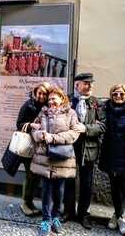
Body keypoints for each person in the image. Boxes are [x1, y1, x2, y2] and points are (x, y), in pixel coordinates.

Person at [31, 87, 85, 236]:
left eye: (54, 98)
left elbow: (74, 133)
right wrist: (39, 135)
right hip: (45, 157)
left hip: (62, 157)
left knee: (59, 191)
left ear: (62, 98)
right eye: (49, 99)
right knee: (46, 190)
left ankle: (56, 217)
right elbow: (33, 130)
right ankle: (46, 220)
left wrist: (53, 138)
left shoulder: (70, 113)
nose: (51, 101)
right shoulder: (43, 112)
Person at [63, 72, 105, 229]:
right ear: (77, 85)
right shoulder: (66, 100)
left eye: (91, 83)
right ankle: (68, 211)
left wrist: (85, 128)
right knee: (68, 180)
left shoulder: (97, 103)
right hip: (69, 147)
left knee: (87, 183)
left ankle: (83, 214)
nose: (89, 86)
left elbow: (103, 125)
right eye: (86, 83)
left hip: (89, 148)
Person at [99, 84, 125, 234]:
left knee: (123, 185)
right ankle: (118, 215)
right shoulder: (106, 108)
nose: (118, 96)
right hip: (110, 150)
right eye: (115, 94)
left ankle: (118, 216)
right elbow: (101, 123)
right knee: (113, 185)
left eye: (121, 94)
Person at [16, 82, 52, 216]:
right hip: (30, 146)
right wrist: (31, 125)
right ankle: (25, 202)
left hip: (42, 147)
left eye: (44, 94)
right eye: (39, 93)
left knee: (36, 175)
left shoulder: (48, 106)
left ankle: (30, 202)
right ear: (35, 93)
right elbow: (19, 123)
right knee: (30, 174)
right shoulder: (28, 105)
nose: (41, 96)